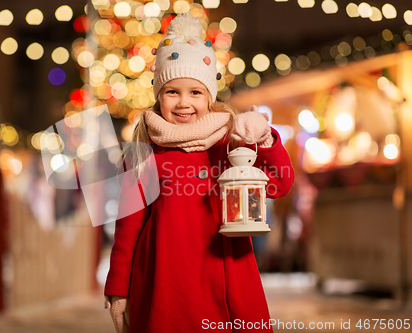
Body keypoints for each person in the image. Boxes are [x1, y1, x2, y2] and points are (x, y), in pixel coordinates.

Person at [104, 13, 294, 333]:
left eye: (195, 92)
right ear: (158, 94)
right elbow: (128, 227)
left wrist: (265, 139)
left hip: (226, 279)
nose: (183, 103)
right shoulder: (143, 151)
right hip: (163, 284)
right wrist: (118, 287)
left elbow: (280, 183)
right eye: (172, 91)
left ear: (209, 95)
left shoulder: (230, 142)